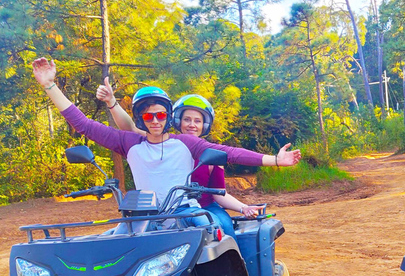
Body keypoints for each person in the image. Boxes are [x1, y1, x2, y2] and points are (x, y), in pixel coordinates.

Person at [32, 57, 300, 227]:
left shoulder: (187, 143)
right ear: (141, 117)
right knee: (109, 246)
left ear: (168, 116)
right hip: (147, 217)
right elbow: (84, 125)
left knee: (216, 237)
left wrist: (274, 160)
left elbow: (229, 153)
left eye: (161, 114)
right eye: (148, 115)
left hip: (187, 212)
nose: (155, 119)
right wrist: (49, 86)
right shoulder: (130, 143)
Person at [97, 78, 273, 238]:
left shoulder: (212, 153)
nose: (191, 125)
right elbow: (131, 129)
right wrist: (112, 103)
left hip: (203, 207)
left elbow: (220, 193)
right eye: (187, 119)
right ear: (177, 120)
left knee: (224, 227)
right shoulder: (164, 144)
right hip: (169, 209)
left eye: (197, 121)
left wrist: (243, 207)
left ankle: (236, 268)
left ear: (205, 125)